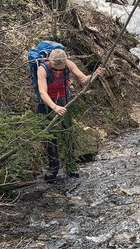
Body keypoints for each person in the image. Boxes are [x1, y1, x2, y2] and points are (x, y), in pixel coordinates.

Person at [36, 48, 105, 181]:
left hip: (64, 101)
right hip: (46, 104)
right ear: (51, 63)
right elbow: (42, 92)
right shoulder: (42, 69)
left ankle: (70, 166)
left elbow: (84, 80)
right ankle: (53, 168)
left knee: (68, 134)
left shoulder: (69, 64)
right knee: (50, 137)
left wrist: (95, 74)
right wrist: (55, 107)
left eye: (61, 70)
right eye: (56, 70)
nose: (58, 73)